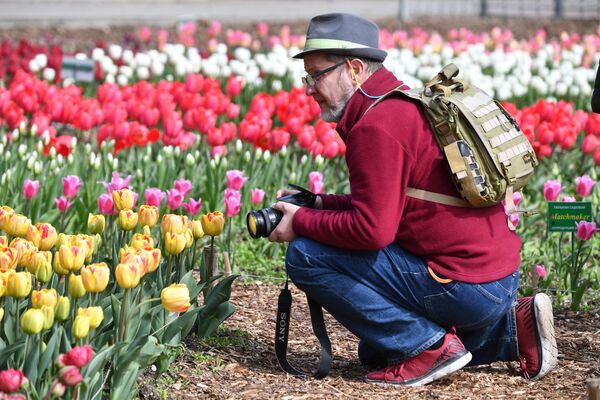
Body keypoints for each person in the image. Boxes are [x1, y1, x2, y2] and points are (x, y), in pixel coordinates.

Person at [268, 13, 557, 387]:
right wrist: (318, 204)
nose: (309, 88)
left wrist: (299, 223)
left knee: (306, 255)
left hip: (465, 286)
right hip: (495, 279)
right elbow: (388, 203)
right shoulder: (399, 104)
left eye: (316, 74)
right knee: (375, 352)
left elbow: (372, 231)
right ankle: (513, 331)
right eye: (307, 77)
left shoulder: (376, 126)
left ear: (354, 69)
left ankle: (428, 349)